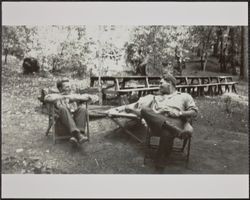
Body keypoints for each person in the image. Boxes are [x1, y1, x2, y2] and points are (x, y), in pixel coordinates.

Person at [124, 72, 198, 167]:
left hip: (176, 121)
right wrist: (132, 110)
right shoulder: (156, 97)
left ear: (169, 83)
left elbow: (194, 112)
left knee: (166, 131)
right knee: (145, 109)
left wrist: (179, 113)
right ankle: (175, 130)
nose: (159, 86)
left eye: (161, 83)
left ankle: (160, 162)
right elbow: (144, 113)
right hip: (157, 124)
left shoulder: (184, 96)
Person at [44, 78, 98, 147]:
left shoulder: (74, 96)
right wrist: (64, 97)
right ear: (60, 89)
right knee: (63, 108)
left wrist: (76, 98)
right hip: (62, 127)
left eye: (70, 86)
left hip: (75, 124)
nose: (70, 88)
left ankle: (78, 135)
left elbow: (94, 97)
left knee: (83, 108)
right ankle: (77, 135)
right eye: (67, 87)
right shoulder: (55, 96)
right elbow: (46, 98)